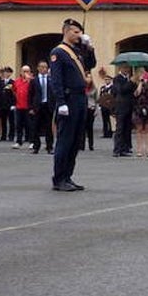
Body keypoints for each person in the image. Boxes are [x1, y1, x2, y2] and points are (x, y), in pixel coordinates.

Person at [48, 18, 97, 191]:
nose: (79, 35)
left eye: (80, 32)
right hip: (68, 100)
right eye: (76, 32)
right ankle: (59, 178)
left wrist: (90, 48)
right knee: (65, 140)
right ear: (66, 31)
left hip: (80, 99)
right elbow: (56, 80)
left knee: (76, 141)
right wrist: (61, 102)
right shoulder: (58, 52)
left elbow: (91, 64)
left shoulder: (77, 51)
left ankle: (68, 176)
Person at [28, 60, 54, 154]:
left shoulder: (51, 79)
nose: (43, 69)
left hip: (48, 105)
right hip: (37, 106)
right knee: (35, 127)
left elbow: (54, 93)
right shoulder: (34, 81)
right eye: (42, 67)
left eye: (45, 67)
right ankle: (36, 146)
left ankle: (49, 147)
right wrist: (30, 107)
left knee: (49, 128)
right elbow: (30, 95)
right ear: (38, 68)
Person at [110, 64, 135, 157]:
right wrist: (130, 82)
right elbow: (121, 90)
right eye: (125, 68)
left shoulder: (129, 79)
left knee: (127, 128)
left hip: (129, 106)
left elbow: (132, 91)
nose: (127, 70)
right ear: (121, 69)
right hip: (120, 106)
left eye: (128, 68)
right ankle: (117, 149)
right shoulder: (117, 79)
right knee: (119, 128)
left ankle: (125, 148)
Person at [11, 65, 32, 149]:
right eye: (24, 71)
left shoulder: (31, 81)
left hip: (28, 107)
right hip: (19, 106)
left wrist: (29, 80)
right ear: (21, 72)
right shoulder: (16, 81)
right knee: (18, 125)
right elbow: (14, 91)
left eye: (27, 71)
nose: (25, 73)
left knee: (29, 125)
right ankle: (18, 141)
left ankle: (31, 141)